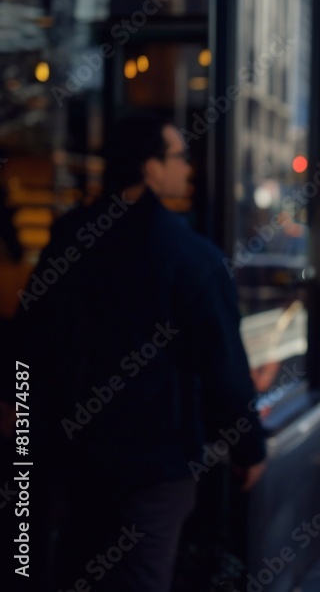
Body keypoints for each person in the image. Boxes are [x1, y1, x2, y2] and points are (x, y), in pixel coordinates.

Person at [9, 114, 267, 592]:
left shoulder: (70, 236)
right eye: (178, 157)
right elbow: (223, 366)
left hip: (74, 459)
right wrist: (247, 445)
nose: (188, 168)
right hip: (155, 466)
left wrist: (22, 427)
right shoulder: (188, 255)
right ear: (150, 168)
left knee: (73, 571)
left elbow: (29, 340)